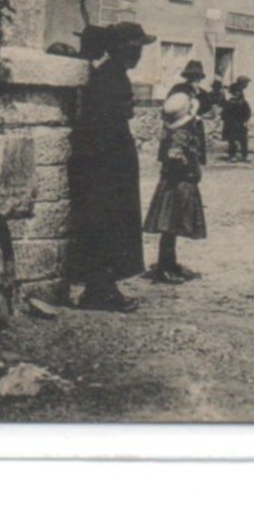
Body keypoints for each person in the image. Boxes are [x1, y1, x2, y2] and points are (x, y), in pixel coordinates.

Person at [69, 22, 154, 312]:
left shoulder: (112, 75)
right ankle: (100, 290)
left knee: (112, 224)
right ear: (123, 50)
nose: (139, 55)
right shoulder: (108, 79)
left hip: (111, 160)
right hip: (106, 164)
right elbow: (102, 125)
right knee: (107, 224)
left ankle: (103, 286)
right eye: (137, 49)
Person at [143, 90, 208, 283]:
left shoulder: (174, 130)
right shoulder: (181, 133)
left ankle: (169, 263)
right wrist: (184, 161)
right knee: (170, 226)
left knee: (171, 228)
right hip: (178, 185)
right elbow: (174, 154)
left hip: (174, 184)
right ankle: (165, 267)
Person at [167, 59, 218, 165]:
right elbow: (169, 107)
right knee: (175, 158)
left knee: (193, 159)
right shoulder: (178, 88)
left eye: (197, 77)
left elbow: (211, 113)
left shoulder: (202, 93)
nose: (194, 79)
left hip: (195, 128)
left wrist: (199, 115)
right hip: (178, 127)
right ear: (187, 77)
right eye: (191, 76)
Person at [221, 76, 252, 162]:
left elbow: (247, 112)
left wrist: (245, 120)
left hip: (240, 123)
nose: (237, 93)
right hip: (231, 124)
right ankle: (232, 155)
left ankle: (244, 156)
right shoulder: (229, 103)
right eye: (236, 92)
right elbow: (224, 114)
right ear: (233, 92)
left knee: (243, 140)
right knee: (232, 140)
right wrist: (228, 120)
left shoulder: (243, 102)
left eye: (239, 92)